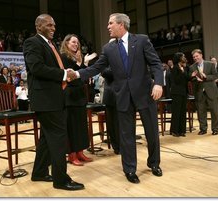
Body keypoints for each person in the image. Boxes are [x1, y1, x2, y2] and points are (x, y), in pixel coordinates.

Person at [68, 13, 163, 184]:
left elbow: (155, 63)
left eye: (110, 23)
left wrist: (158, 83)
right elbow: (97, 67)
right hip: (123, 96)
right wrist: (77, 73)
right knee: (126, 136)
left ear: (121, 24)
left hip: (145, 93)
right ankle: (129, 169)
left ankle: (154, 163)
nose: (108, 26)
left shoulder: (141, 40)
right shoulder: (109, 48)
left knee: (151, 132)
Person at [23, 14, 84, 190]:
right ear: (38, 26)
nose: (53, 28)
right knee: (58, 138)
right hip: (46, 100)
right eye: (49, 24)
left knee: (47, 138)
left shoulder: (50, 44)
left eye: (54, 25)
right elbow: (37, 68)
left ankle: (39, 172)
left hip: (54, 98)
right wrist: (64, 74)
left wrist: (67, 71)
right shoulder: (32, 42)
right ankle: (61, 180)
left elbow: (53, 67)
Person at [59, 34, 96, 166]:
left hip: (80, 95)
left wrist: (84, 63)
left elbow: (83, 75)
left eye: (77, 42)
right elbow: (71, 75)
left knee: (80, 126)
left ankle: (80, 152)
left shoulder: (77, 58)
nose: (76, 44)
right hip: (70, 95)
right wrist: (81, 63)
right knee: (72, 126)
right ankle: (72, 154)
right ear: (67, 43)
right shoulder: (63, 57)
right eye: (73, 42)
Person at [189, 49, 218, 135]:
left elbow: (215, 75)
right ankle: (203, 129)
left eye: (197, 56)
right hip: (199, 91)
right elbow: (191, 79)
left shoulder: (210, 64)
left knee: (214, 111)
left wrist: (206, 77)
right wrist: (194, 78)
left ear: (201, 55)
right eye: (194, 57)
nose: (195, 58)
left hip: (211, 91)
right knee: (201, 111)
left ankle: (215, 129)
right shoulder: (192, 67)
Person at [170, 52, 189, 137]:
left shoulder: (184, 67)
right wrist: (181, 72)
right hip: (176, 92)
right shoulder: (175, 68)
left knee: (182, 111)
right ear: (179, 58)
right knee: (176, 112)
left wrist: (191, 75)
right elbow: (176, 81)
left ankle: (182, 130)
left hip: (183, 92)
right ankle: (175, 131)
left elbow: (186, 79)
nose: (184, 57)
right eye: (183, 56)